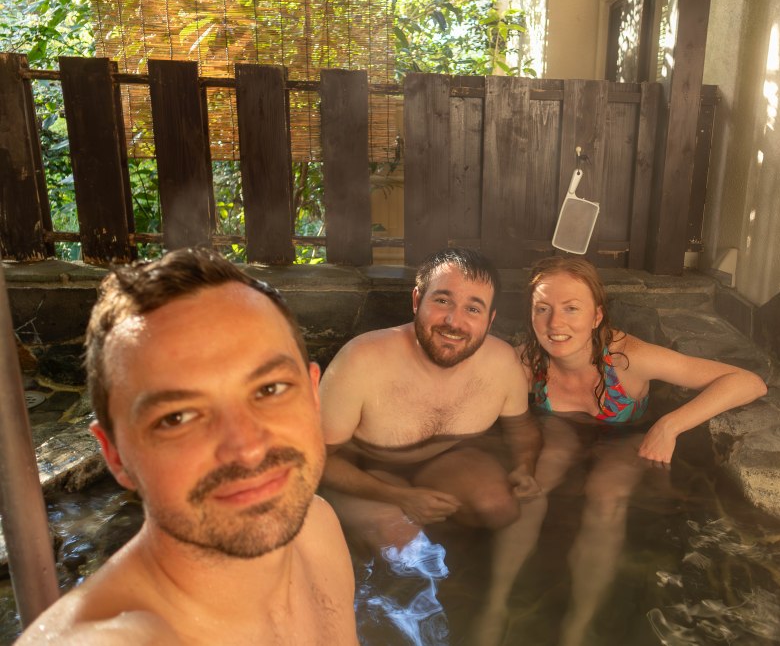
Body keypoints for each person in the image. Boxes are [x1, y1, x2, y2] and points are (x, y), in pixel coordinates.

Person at [18, 248, 357, 645]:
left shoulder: (316, 528)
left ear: (314, 397)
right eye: (176, 417)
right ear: (116, 457)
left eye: (270, 389)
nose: (247, 449)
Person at [476, 255, 767, 646]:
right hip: (558, 430)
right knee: (532, 485)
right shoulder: (528, 361)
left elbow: (747, 382)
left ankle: (578, 626)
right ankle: (495, 604)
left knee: (606, 497)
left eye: (570, 309)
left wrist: (669, 425)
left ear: (597, 316)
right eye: (542, 309)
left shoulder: (630, 358)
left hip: (624, 434)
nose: (554, 323)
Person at [318, 247, 541, 553]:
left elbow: (522, 428)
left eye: (473, 309)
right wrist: (400, 497)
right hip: (365, 469)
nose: (454, 321)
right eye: (442, 300)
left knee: (499, 508)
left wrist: (523, 467)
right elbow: (314, 457)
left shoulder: (501, 364)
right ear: (416, 300)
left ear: (490, 320)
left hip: (444, 462)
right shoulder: (361, 360)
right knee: (394, 529)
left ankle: (453, 556)